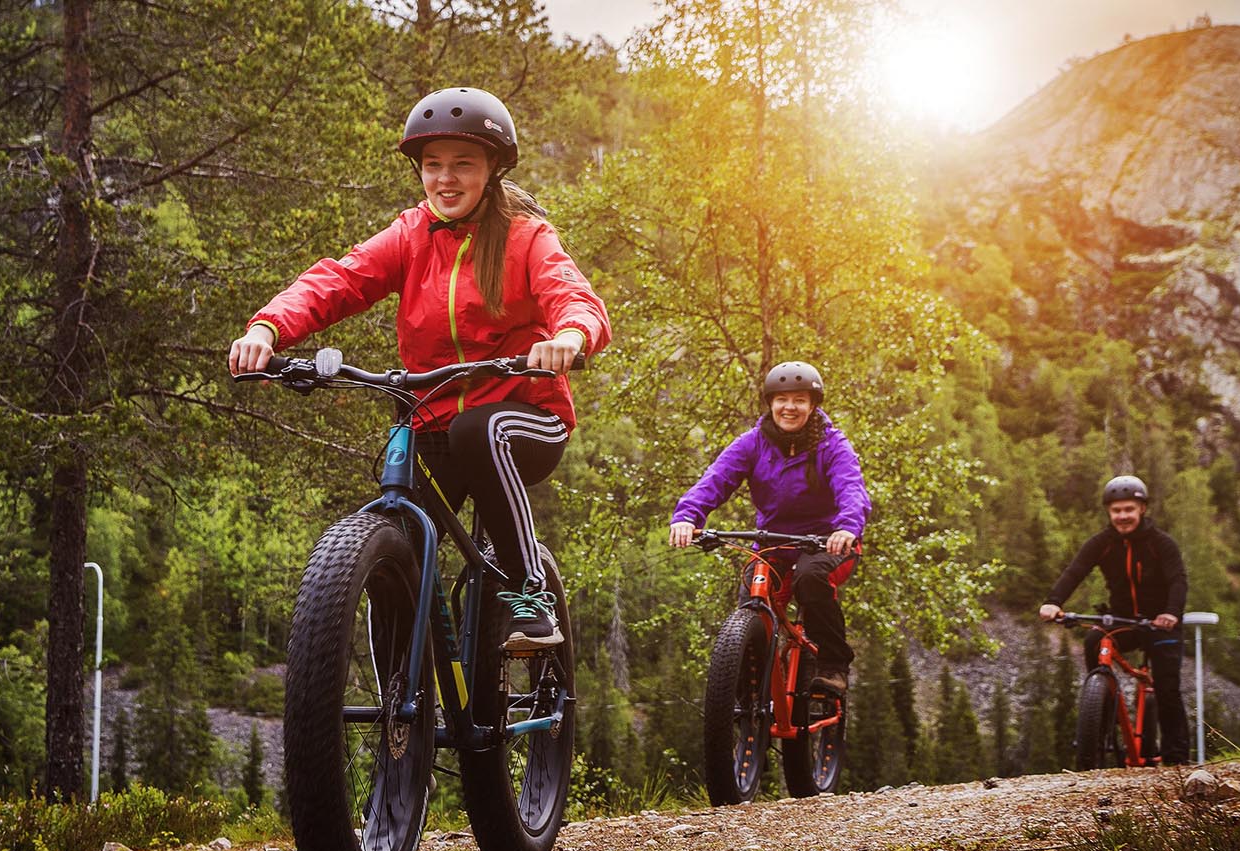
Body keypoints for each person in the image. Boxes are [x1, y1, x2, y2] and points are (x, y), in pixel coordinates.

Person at [228, 87, 610, 651]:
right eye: (434, 166)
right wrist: (268, 328)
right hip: (434, 420)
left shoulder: (527, 237)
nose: (446, 179)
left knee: (477, 429)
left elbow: (572, 296)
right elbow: (339, 280)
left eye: (463, 164)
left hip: (525, 416)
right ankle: (402, 712)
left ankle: (531, 593)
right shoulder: (411, 234)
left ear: (493, 170)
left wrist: (569, 337)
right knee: (398, 541)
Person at [668, 362, 872, 694]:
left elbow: (852, 489)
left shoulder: (833, 445)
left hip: (828, 542)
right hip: (774, 541)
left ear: (813, 404)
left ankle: (833, 664)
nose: (790, 407)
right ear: (770, 402)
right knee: (753, 591)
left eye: (800, 400)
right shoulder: (752, 443)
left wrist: (847, 528)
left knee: (811, 579)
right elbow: (715, 480)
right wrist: (687, 516)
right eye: (782, 399)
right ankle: (752, 678)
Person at [1039, 475, 1190, 764]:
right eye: (1117, 510)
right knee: (1095, 639)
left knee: (1168, 688)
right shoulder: (1102, 543)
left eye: (1129, 510)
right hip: (1123, 620)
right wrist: (1053, 602)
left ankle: (1176, 760)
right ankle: (1099, 714)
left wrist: (1171, 613)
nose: (1123, 516)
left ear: (1142, 509)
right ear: (1109, 512)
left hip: (1160, 624)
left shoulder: (1162, 544)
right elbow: (1075, 571)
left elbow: (1178, 581)